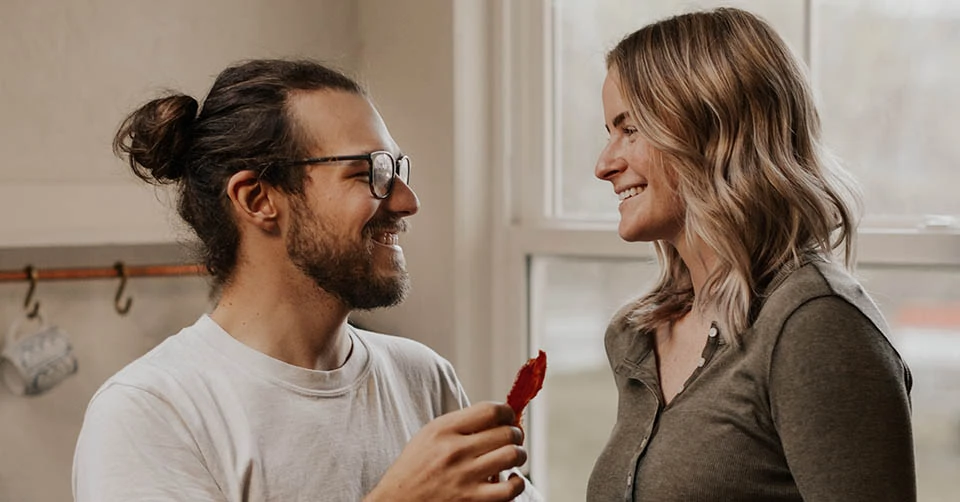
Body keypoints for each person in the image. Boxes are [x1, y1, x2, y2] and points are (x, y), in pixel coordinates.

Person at [72, 59, 540, 502]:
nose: (406, 200)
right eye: (368, 173)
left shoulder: (423, 377)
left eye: (397, 169)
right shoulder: (150, 412)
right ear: (257, 199)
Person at [588, 7, 915, 501]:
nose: (604, 164)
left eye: (630, 129)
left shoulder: (815, 326)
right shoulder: (637, 338)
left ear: (714, 131)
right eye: (608, 132)